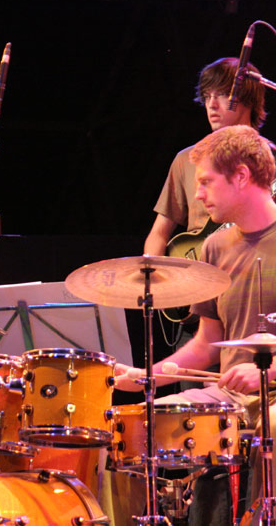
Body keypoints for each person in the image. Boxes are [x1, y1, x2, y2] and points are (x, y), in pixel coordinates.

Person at [109, 125, 276, 525]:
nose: (198, 195)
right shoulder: (215, 246)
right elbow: (206, 344)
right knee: (124, 429)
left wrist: (267, 373)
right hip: (229, 397)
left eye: (205, 182)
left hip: (273, 398)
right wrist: (146, 377)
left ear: (241, 176)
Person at [144, 57, 266, 256]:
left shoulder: (270, 159)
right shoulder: (187, 159)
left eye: (223, 94)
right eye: (208, 96)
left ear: (249, 99)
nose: (212, 105)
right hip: (197, 269)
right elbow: (159, 233)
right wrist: (151, 271)